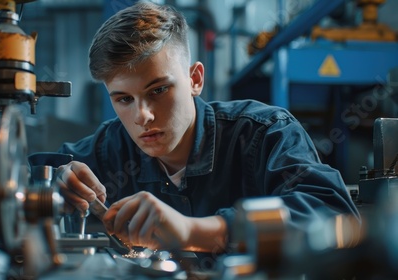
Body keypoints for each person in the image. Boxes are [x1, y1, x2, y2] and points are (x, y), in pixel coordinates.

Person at [55, 1, 359, 256]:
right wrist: (54, 184)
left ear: (195, 80)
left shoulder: (263, 134)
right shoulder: (111, 147)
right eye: (124, 99)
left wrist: (194, 231)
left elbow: (332, 215)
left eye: (158, 90)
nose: (143, 116)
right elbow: (30, 177)